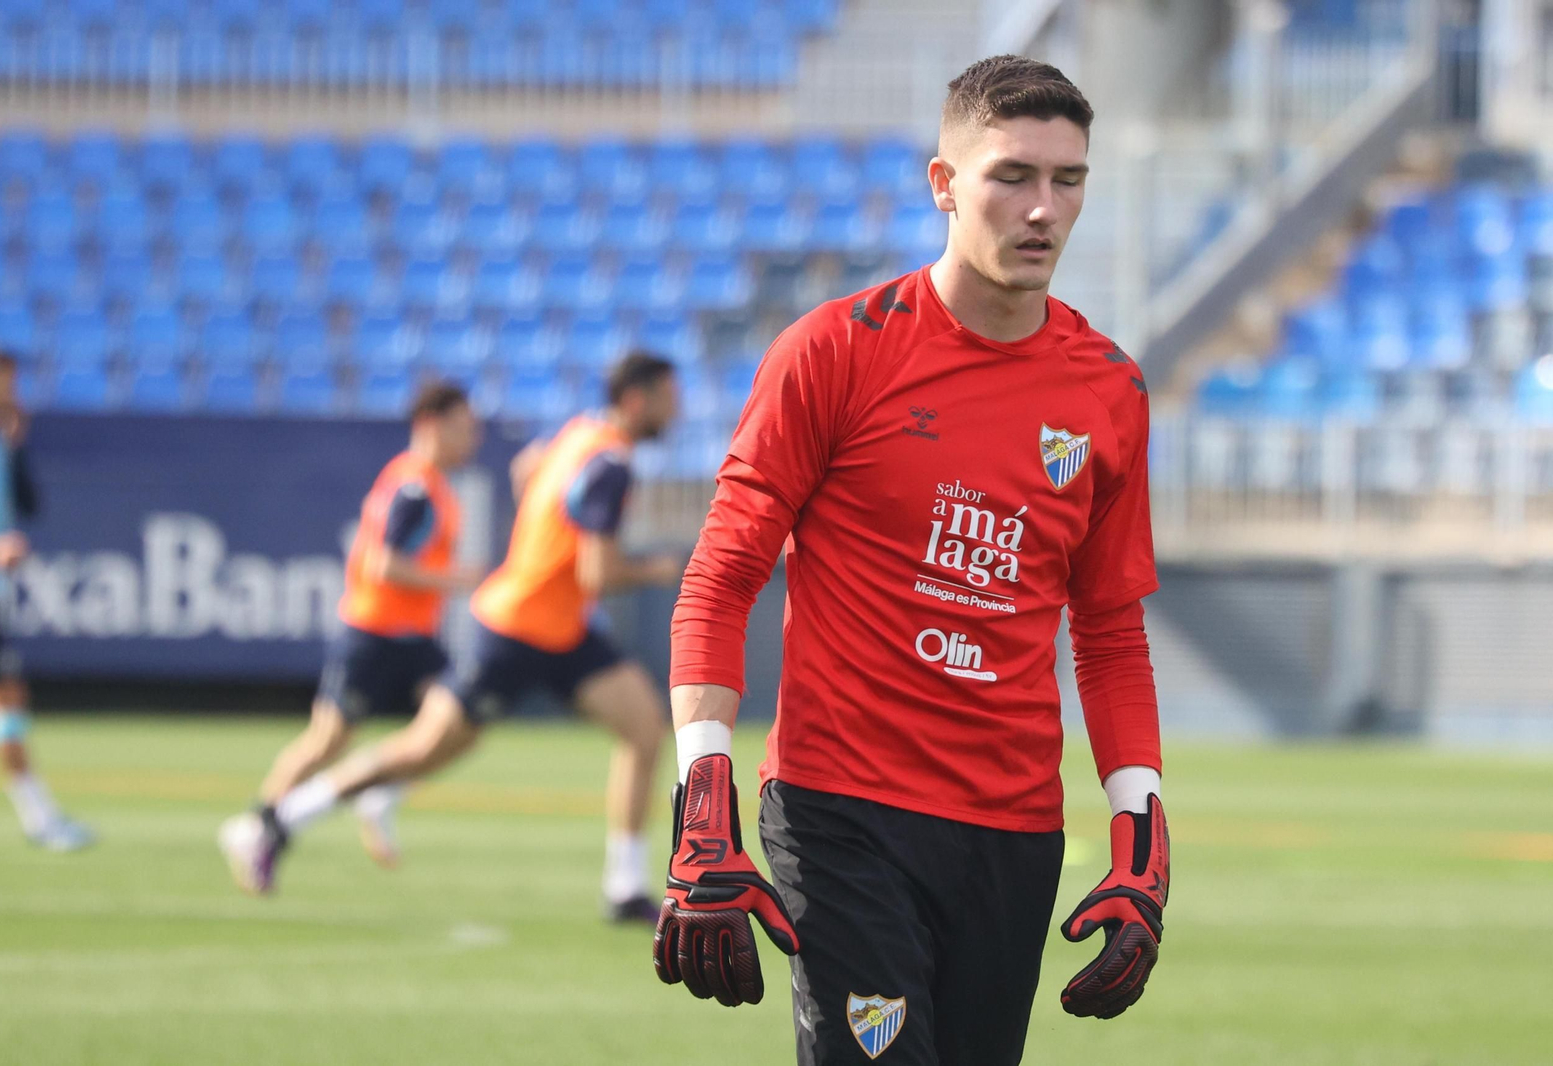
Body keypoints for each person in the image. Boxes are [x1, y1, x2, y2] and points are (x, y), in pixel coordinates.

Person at [653, 55, 1170, 1064]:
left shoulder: (1108, 391)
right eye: (1011, 176)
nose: (1042, 210)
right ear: (943, 184)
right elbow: (720, 579)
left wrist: (1140, 844)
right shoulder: (835, 351)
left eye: (1068, 182)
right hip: (842, 816)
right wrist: (702, 802)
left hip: (1012, 835)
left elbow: (1108, 634)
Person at [223, 352, 684, 922]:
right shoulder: (610, 464)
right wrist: (660, 569)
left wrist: (546, 539)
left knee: (644, 727)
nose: (678, 407)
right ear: (637, 400)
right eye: (669, 395)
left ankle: (624, 887)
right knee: (424, 746)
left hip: (559, 625)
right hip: (517, 628)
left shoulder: (579, 434)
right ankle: (276, 822)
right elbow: (598, 573)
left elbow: (527, 470)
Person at [221, 381, 482, 883]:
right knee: (327, 741)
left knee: (460, 729)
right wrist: (456, 578)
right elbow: (384, 565)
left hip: (415, 637)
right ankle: (257, 826)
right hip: (374, 631)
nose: (472, 436)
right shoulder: (413, 487)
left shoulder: (432, 485)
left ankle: (379, 792)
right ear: (432, 425)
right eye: (463, 425)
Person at [0, 349, 93, 851]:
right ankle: (39, 816)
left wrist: (16, 448)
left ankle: (38, 814)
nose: (13, 391)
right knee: (2, 695)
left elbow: (28, 505)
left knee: (6, 697)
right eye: (6, 381)